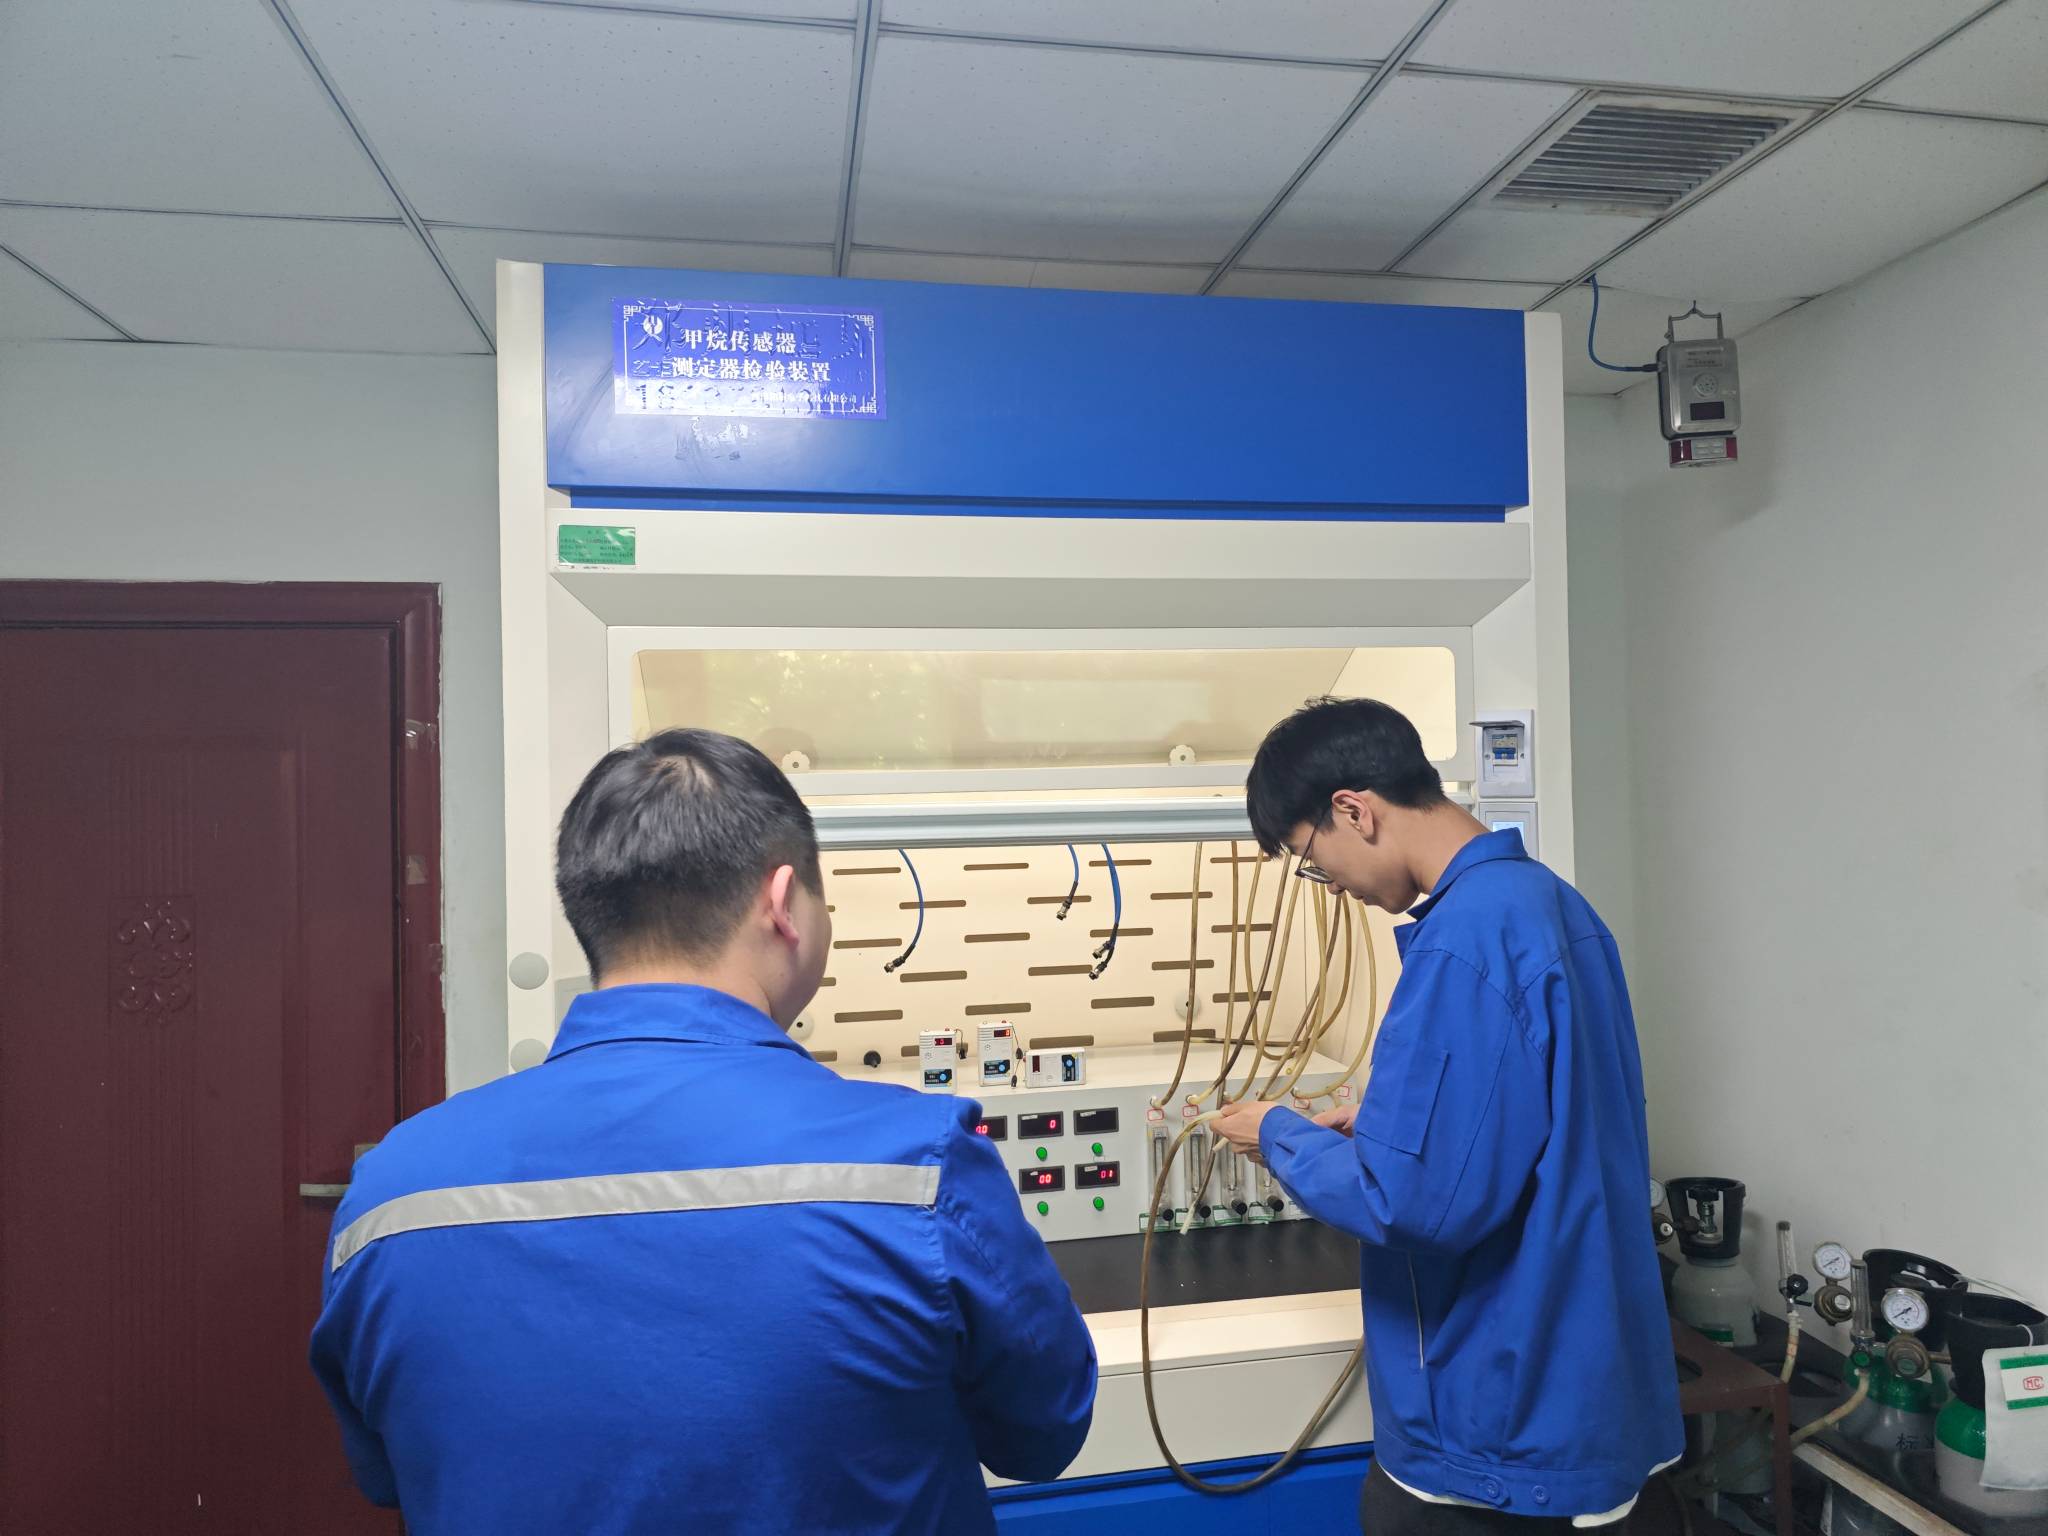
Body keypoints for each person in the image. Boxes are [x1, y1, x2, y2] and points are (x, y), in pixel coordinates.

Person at [311, 729, 1096, 1535]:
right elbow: (1046, 1431)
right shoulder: (919, 1166)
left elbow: (390, 1471)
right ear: (782, 902)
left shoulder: (390, 1199)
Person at [1213, 698, 1681, 1534]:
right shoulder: (1550, 904)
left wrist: (1278, 1136)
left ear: (1354, 811)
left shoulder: (1464, 940)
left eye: (1312, 861)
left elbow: (1414, 1204)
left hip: (1498, 1429)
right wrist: (1384, 1121)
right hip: (1585, 1388)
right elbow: (1542, 1118)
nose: (1333, 887)